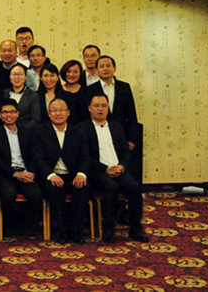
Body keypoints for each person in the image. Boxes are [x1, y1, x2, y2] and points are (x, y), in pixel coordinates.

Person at [79, 93, 148, 243]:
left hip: (118, 169)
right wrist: (105, 169)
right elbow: (85, 157)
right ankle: (108, 231)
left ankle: (136, 229)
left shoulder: (116, 126)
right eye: (96, 106)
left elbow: (126, 152)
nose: (100, 109)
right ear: (89, 108)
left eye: (104, 106)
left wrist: (122, 167)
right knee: (112, 187)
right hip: (98, 171)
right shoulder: (82, 129)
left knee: (135, 188)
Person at [32, 98, 91, 244]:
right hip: (51, 175)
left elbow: (85, 157)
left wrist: (81, 174)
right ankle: (62, 232)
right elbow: (38, 158)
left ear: (68, 112)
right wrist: (50, 175)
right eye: (54, 110)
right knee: (54, 190)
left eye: (61, 110)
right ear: (49, 113)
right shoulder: (40, 131)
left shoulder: (78, 131)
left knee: (83, 188)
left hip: (73, 174)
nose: (58, 113)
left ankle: (77, 232)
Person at [0, 98, 42, 239]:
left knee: (36, 195)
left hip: (26, 172)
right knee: (9, 194)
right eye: (5, 112)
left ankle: (27, 228)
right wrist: (15, 174)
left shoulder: (28, 132)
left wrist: (31, 172)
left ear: (18, 113)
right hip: (7, 174)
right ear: (0, 115)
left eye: (12, 112)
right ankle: (8, 228)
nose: (9, 115)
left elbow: (34, 155)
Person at [85, 56, 140, 152]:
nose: (105, 69)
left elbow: (131, 113)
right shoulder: (90, 89)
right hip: (98, 134)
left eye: (108, 66)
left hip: (122, 134)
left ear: (114, 68)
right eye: (102, 66)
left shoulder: (124, 87)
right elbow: (86, 115)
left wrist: (132, 138)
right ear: (97, 70)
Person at [3, 63, 41, 130]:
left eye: (20, 74)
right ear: (10, 76)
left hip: (26, 132)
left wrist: (20, 131)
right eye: (14, 74)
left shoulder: (33, 96)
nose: (17, 77)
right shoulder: (3, 94)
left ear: (26, 77)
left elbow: (35, 119)